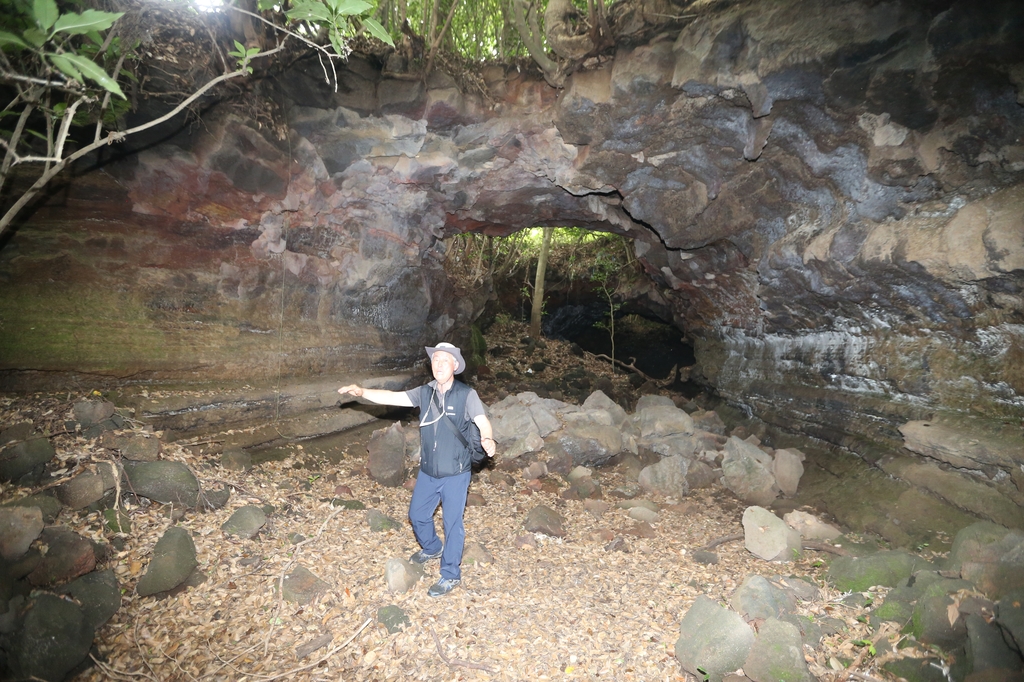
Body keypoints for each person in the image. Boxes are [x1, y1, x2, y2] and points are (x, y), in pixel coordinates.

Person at [338, 342, 496, 597]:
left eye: (445, 360)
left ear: (455, 366)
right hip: (429, 471)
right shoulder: (425, 392)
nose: (440, 364)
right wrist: (361, 391)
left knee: (452, 523)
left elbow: (482, 421)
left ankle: (450, 575)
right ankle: (432, 547)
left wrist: (487, 439)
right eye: (436, 360)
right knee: (418, 515)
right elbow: (392, 397)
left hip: (456, 473)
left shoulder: (467, 394)